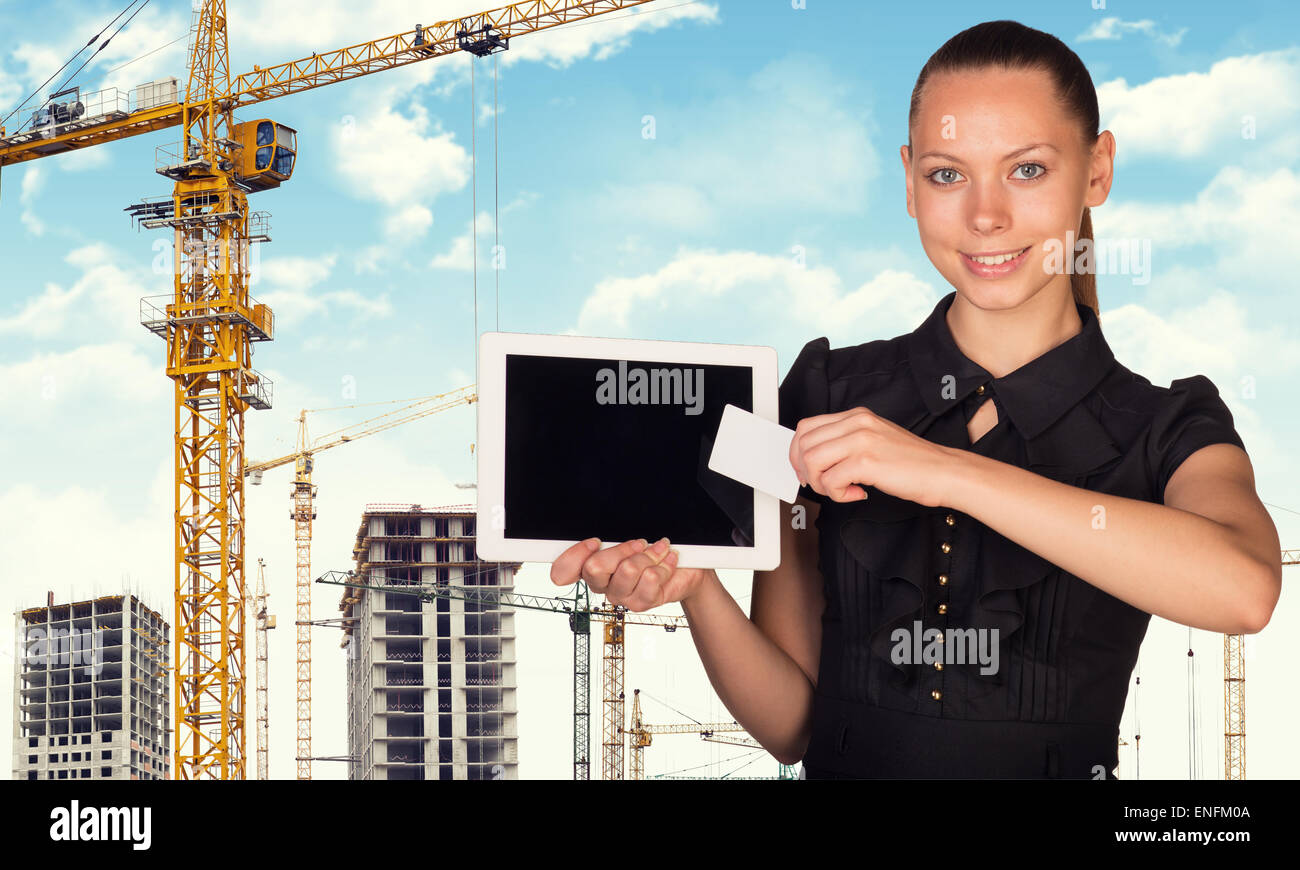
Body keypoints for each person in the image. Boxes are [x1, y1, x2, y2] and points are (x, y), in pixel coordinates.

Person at [548, 20, 1283, 779]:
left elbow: (1245, 591)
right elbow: (794, 728)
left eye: (1027, 170)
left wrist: (941, 470)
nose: (985, 216)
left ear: (1098, 170)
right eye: (946, 174)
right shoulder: (826, 394)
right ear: (907, 179)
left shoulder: (1167, 426)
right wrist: (698, 589)